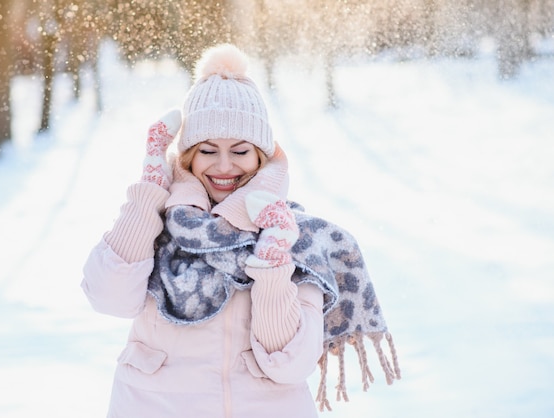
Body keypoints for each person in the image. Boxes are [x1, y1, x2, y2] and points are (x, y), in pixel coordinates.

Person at [81, 44, 399, 418]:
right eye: (208, 150)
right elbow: (109, 297)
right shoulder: (153, 222)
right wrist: (151, 187)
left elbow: (289, 364)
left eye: (241, 150)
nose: (224, 165)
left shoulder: (300, 238)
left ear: (261, 155)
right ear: (187, 156)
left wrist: (272, 261)